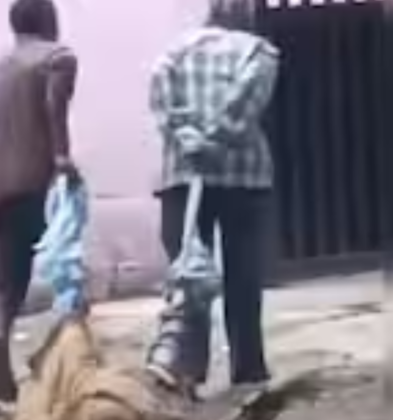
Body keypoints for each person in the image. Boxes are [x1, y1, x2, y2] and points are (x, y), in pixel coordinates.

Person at [145, 0, 280, 399]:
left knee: (189, 279)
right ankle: (248, 373)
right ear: (245, 17)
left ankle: (187, 373)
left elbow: (161, 100)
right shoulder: (258, 52)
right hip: (243, 175)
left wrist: (188, 138)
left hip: (182, 173)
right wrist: (215, 137)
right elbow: (245, 104)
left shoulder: (173, 52)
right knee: (244, 277)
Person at [0, 0, 80, 406]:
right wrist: (61, 160)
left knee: (6, 288)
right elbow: (54, 106)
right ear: (49, 19)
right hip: (41, 188)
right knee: (69, 279)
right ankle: (58, 364)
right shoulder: (59, 58)